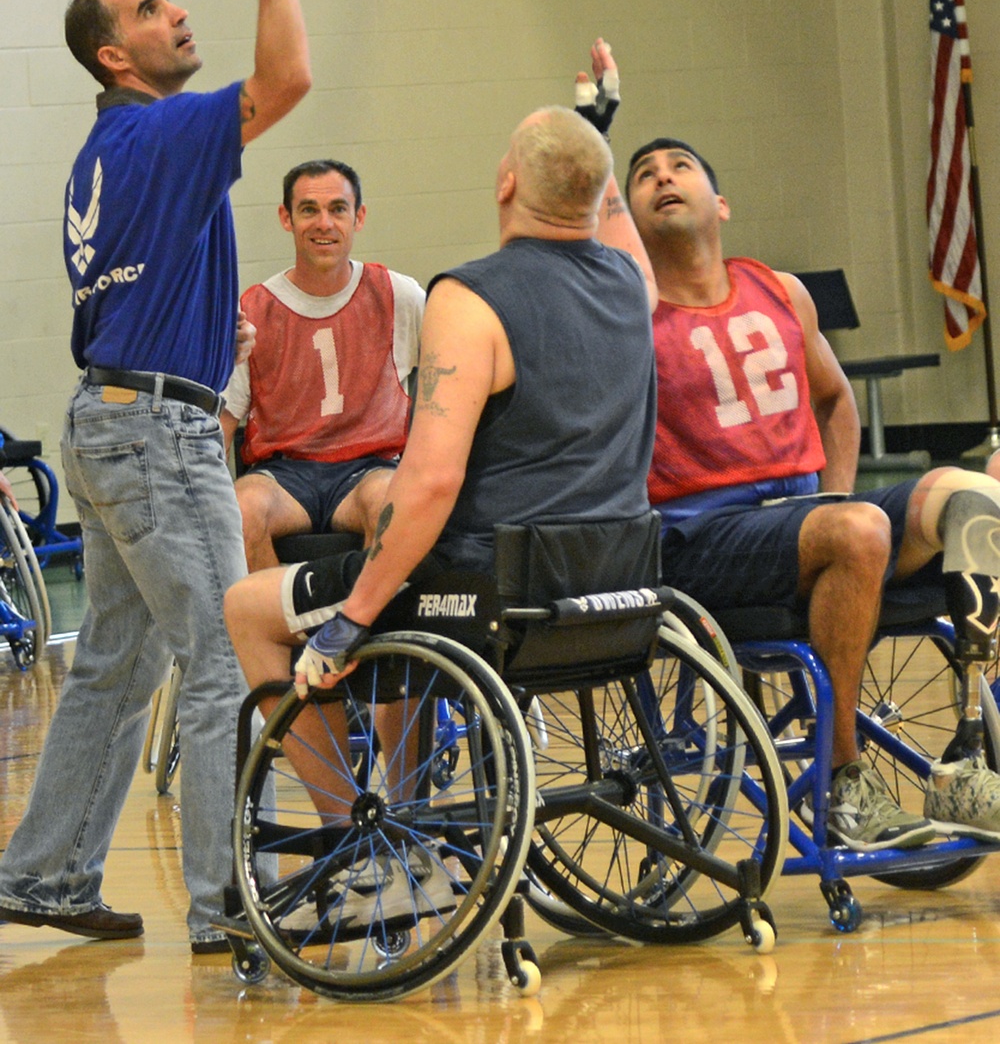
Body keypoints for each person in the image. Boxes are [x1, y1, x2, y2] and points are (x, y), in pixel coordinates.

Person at [0, 0, 310, 952]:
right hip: (151, 435)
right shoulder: (163, 131)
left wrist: (197, 332)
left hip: (115, 418)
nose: (175, 10)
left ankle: (43, 873)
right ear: (112, 57)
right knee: (228, 653)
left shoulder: (112, 149)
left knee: (118, 663)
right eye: (149, 8)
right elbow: (290, 75)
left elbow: (132, 289)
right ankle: (236, 905)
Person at [624, 119, 1000, 849]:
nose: (664, 177)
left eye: (679, 166)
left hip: (802, 513)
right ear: (632, 218)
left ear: (721, 202)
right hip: (699, 537)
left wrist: (838, 492)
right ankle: (844, 782)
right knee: (857, 528)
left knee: (970, 498)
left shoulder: (778, 289)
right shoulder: (630, 313)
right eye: (645, 175)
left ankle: (968, 750)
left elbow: (834, 400)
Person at [224, 101, 658, 716]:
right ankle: (400, 787)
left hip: (493, 578)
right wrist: (597, 136)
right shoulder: (635, 287)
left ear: (507, 182)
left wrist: (353, 618)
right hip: (620, 571)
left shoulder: (465, 296)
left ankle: (352, 809)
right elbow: (613, 227)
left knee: (246, 604)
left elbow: (430, 481)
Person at [220, 160, 424, 572]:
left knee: (393, 505)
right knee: (238, 511)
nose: (324, 223)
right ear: (286, 218)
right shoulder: (252, 308)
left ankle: (362, 629)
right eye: (309, 210)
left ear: (359, 217)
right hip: (283, 475)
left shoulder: (399, 295)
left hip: (371, 468)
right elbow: (223, 423)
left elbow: (456, 381)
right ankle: (279, 626)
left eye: (338, 209)